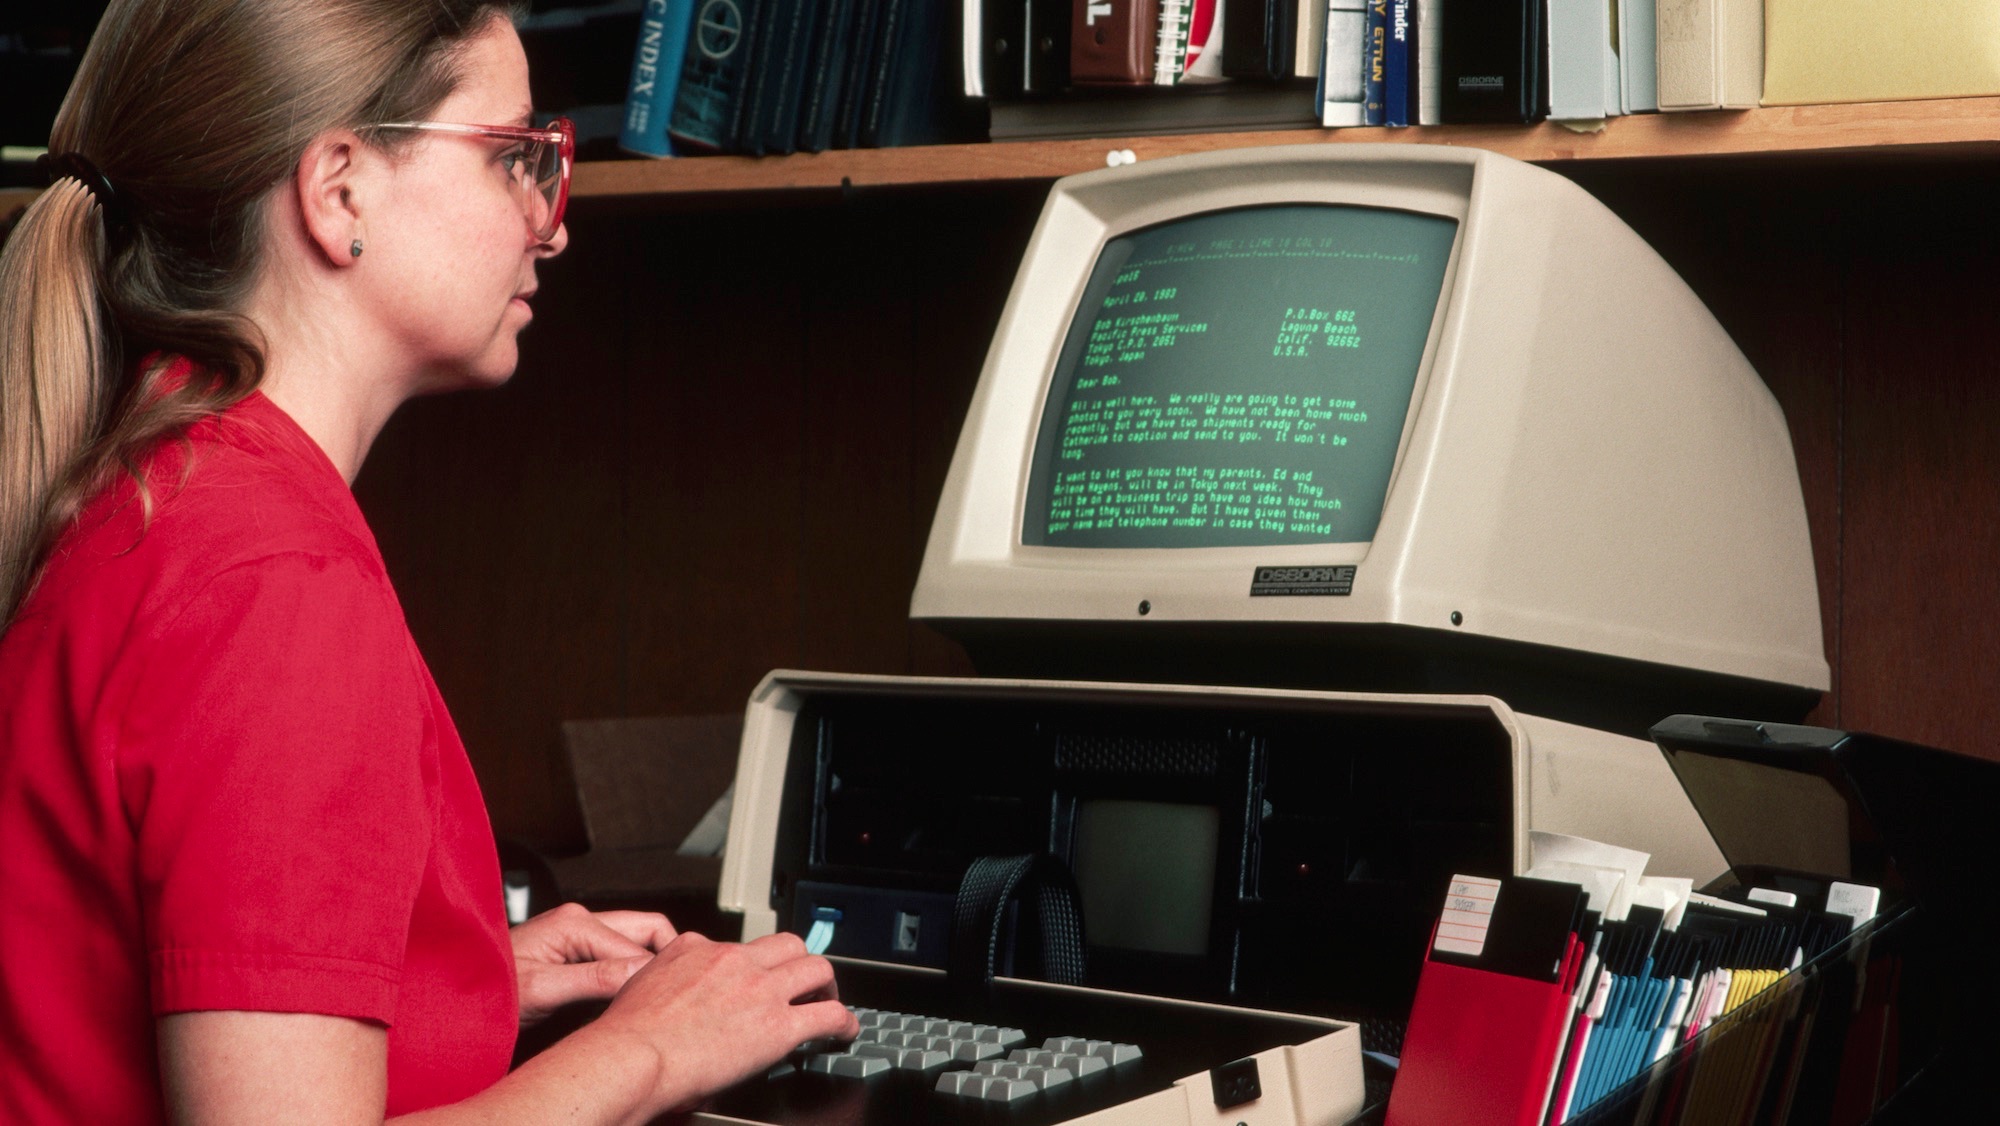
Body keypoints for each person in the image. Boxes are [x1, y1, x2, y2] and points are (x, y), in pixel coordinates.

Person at [0, 1, 856, 1121]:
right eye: (514, 158)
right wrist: (650, 1048)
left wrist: (451, 986)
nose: (550, 225)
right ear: (340, 188)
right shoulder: (272, 583)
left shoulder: (156, 488)